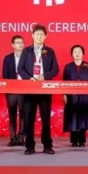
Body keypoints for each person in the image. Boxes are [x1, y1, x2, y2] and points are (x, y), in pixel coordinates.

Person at [18, 25, 60, 155]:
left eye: (42, 35)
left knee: (46, 119)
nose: (39, 37)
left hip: (45, 89)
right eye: (37, 34)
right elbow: (20, 69)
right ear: (32, 35)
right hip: (30, 89)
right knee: (29, 119)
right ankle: (29, 146)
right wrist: (29, 78)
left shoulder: (50, 51)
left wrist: (44, 76)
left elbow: (55, 69)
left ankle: (47, 145)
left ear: (45, 36)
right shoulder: (26, 51)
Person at [63, 45, 88, 147]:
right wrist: (64, 94)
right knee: (72, 117)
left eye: (79, 52)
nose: (77, 54)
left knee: (83, 117)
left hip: (85, 96)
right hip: (72, 96)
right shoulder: (68, 67)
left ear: (83, 53)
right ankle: (73, 140)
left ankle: (82, 141)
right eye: (75, 52)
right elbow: (64, 82)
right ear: (72, 54)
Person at [2, 35, 26, 147]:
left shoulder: (28, 58)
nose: (20, 44)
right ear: (13, 45)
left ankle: (21, 138)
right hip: (11, 90)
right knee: (12, 114)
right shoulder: (8, 58)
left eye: (22, 42)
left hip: (24, 89)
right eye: (18, 42)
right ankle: (12, 138)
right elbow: (5, 75)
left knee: (23, 114)